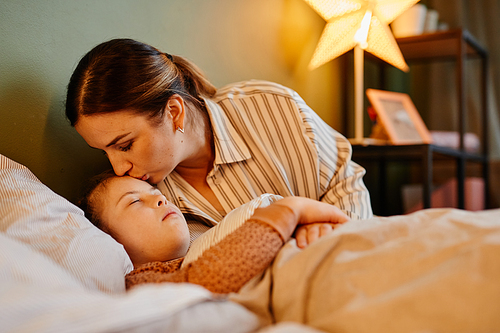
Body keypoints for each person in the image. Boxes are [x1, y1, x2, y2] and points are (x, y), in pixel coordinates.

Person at [65, 38, 372, 248]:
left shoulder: (273, 107)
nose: (119, 168)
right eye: (104, 151)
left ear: (173, 111)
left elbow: (343, 180)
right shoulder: (149, 204)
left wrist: (337, 234)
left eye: (125, 145)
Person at [78, 170, 350, 294]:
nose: (161, 200)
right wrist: (287, 211)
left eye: (157, 194)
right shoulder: (139, 284)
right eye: (135, 201)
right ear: (105, 238)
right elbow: (205, 283)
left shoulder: (210, 240)